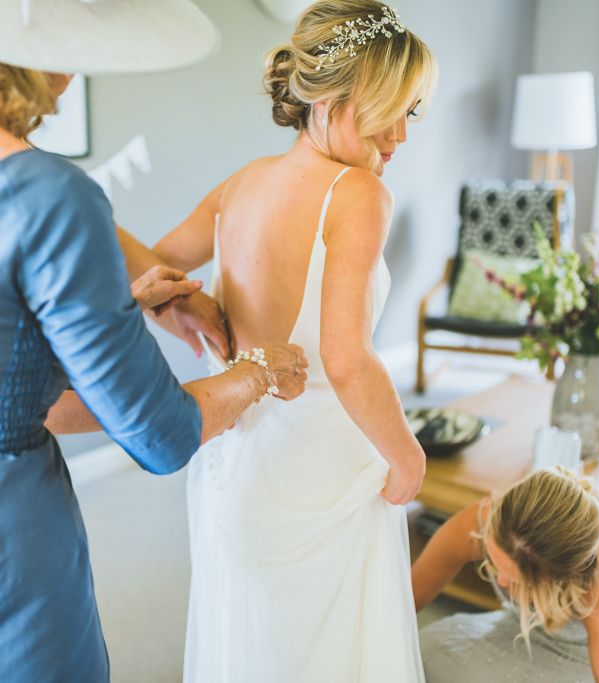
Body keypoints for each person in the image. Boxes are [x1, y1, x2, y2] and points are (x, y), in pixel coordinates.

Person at [0, 3, 308, 682]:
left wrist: (142, 288)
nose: (77, 69)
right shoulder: (49, 193)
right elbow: (160, 432)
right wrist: (260, 368)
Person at [151, 2, 437, 680]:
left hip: (234, 466)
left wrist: (182, 304)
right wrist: (407, 456)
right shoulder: (357, 193)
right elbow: (344, 357)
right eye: (386, 110)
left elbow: (148, 270)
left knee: (252, 643)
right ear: (332, 99)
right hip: (320, 475)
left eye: (412, 111)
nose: (399, 133)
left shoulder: (241, 182)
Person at [413, 468, 599, 683]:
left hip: (590, 666)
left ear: (557, 579)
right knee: (424, 652)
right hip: (521, 633)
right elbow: (410, 595)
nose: (500, 582)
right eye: (495, 563)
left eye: (516, 580)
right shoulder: (490, 521)